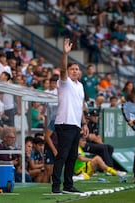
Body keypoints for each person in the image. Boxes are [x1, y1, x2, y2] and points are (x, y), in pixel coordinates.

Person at [51, 38, 89, 194]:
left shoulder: (80, 86)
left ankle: (68, 185)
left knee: (73, 156)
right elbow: (61, 69)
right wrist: (65, 54)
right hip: (64, 122)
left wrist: (85, 123)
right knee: (63, 155)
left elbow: (80, 106)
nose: (75, 71)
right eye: (72, 68)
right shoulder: (64, 82)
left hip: (75, 124)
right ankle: (55, 186)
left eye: (77, 69)